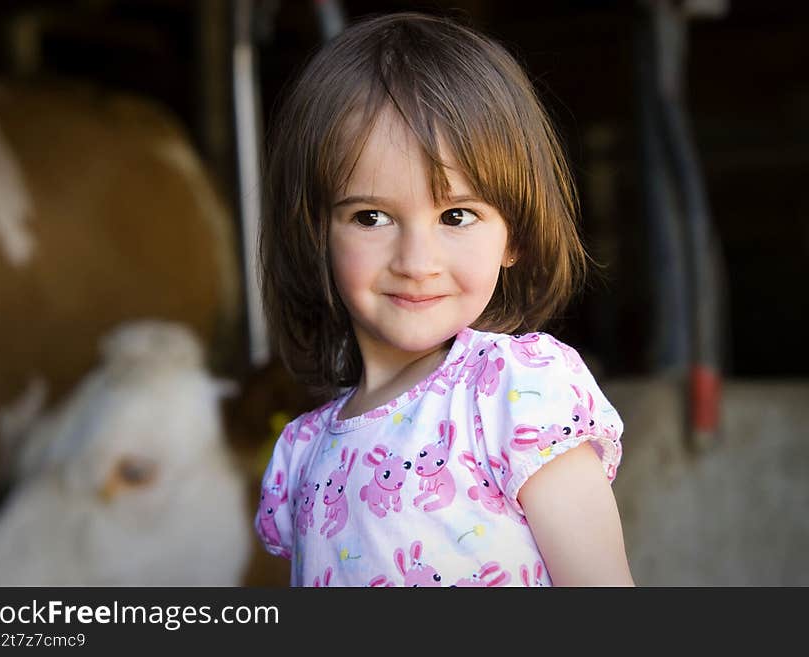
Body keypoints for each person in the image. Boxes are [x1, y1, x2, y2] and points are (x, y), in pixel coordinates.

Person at [254, 11, 634, 587]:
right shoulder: (303, 453)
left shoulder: (517, 395)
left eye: (457, 215)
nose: (416, 261)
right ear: (316, 234)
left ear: (516, 234)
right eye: (371, 216)